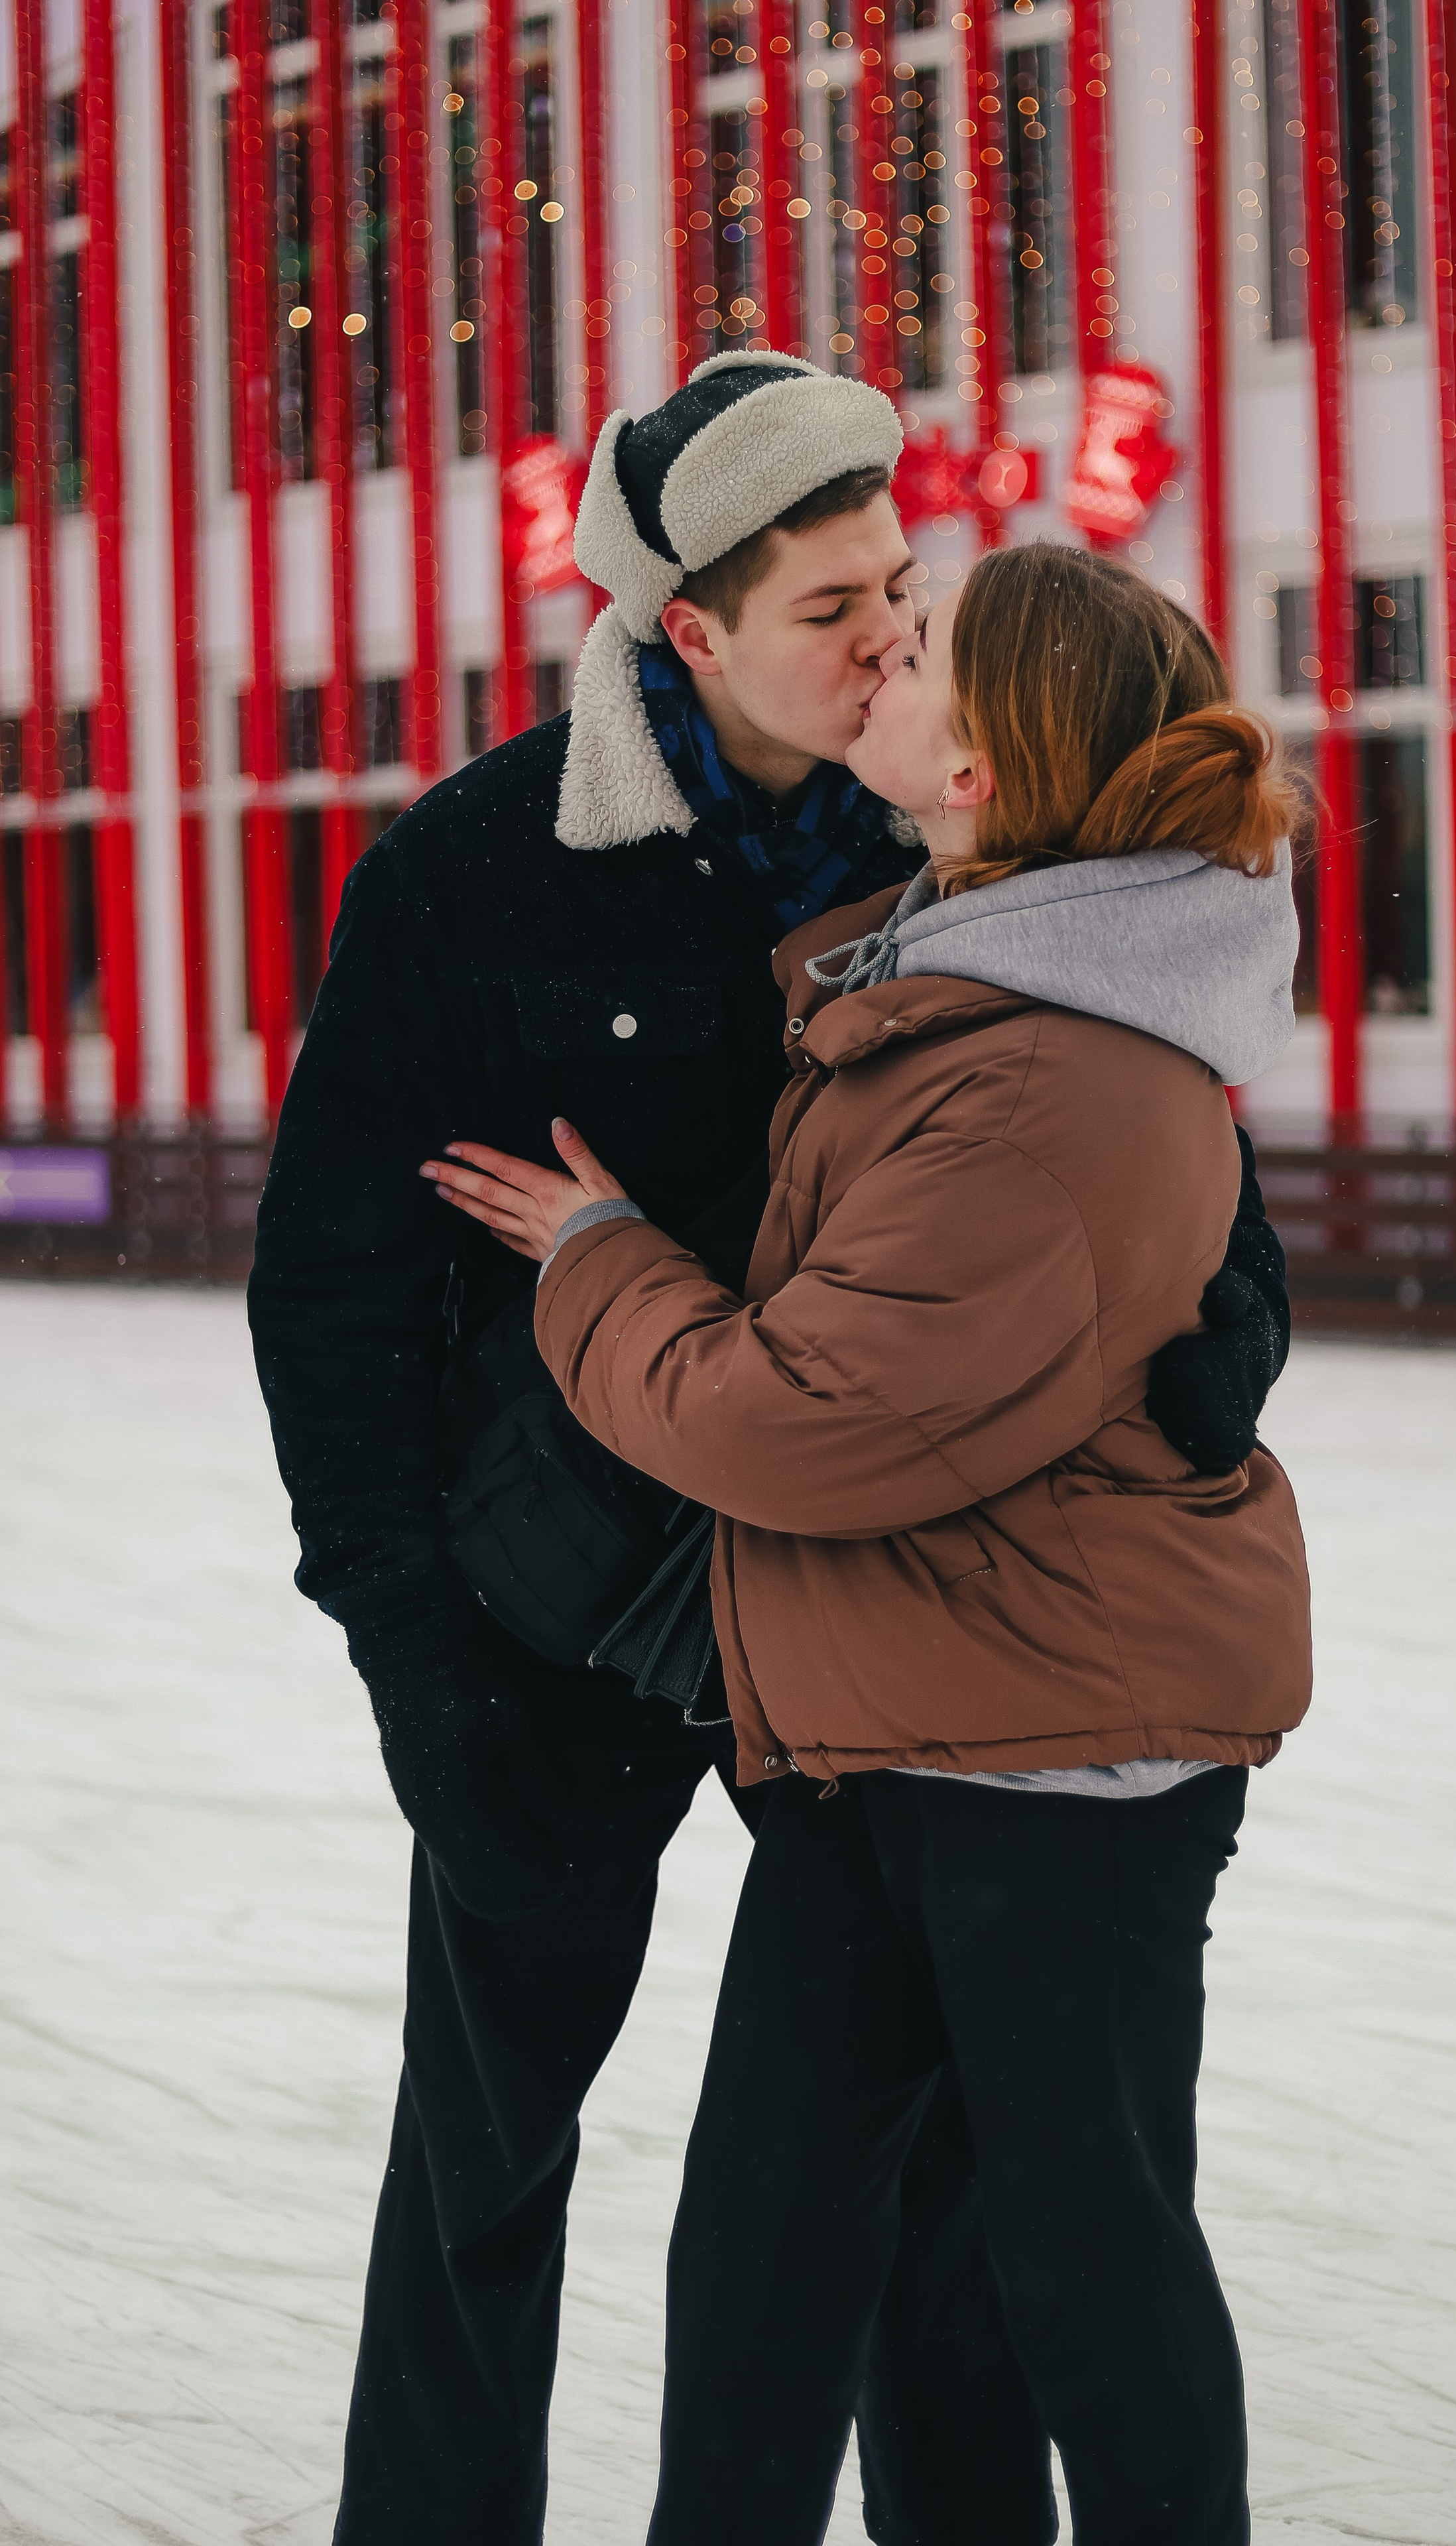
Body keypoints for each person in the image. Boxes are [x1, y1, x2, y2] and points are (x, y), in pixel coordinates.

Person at [251, 355, 1290, 2545]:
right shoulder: (482, 862)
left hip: (867, 1613)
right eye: (831, 607)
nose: (890, 639)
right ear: (685, 633)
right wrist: (413, 1647)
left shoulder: (947, 821)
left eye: (898, 585)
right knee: (485, 2157)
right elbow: (333, 1286)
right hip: (553, 1625)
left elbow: (1169, 1133)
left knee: (892, 2186)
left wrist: (1229, 1343)